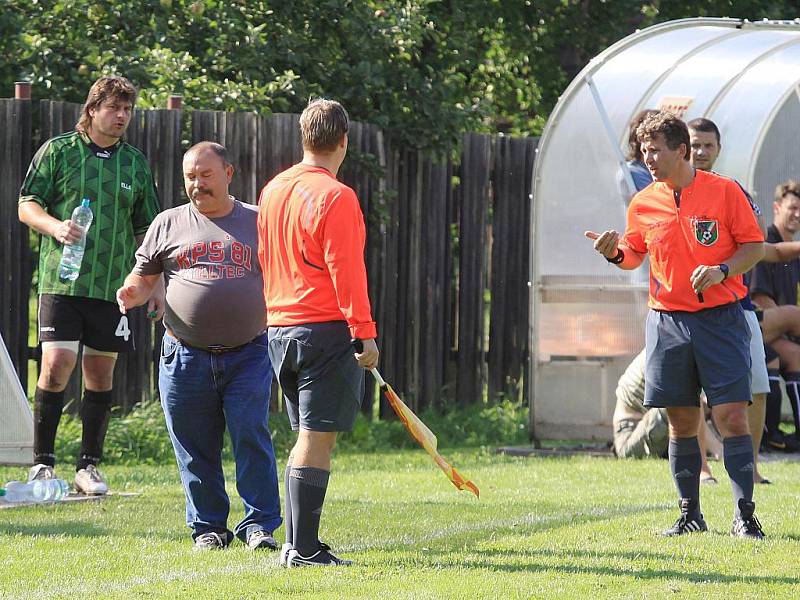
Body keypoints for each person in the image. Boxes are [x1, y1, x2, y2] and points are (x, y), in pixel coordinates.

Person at [586, 111, 766, 539]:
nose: (648, 158)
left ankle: (744, 514)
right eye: (644, 150)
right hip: (666, 322)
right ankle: (690, 514)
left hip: (720, 320)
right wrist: (613, 252)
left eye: (656, 150)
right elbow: (633, 253)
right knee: (681, 422)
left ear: (681, 151)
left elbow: (755, 246)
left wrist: (722, 270)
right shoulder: (644, 202)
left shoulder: (724, 192)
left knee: (732, 417)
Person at [116, 142, 281, 551]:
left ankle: (258, 525)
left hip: (250, 352)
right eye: (190, 176)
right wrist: (131, 293)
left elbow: (284, 276)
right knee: (193, 443)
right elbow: (143, 276)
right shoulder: (168, 223)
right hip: (184, 353)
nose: (197, 184)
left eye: (205, 175)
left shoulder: (260, 222)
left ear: (228, 173)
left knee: (251, 435)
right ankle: (208, 527)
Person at [17, 76, 161, 495]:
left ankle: (89, 468)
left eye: (128, 110)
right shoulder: (59, 151)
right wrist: (56, 227)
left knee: (99, 372)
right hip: (60, 283)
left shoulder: (133, 162)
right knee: (57, 364)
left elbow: (147, 230)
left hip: (113, 288)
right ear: (93, 109)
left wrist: (156, 284)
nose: (122, 117)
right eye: (114, 108)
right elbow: (27, 205)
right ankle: (42, 463)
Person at [257, 98, 379, 567]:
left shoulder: (272, 190)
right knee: (315, 437)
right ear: (344, 140)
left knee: (305, 435)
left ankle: (296, 543)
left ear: (304, 137)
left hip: (280, 327)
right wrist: (363, 332)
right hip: (323, 328)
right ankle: (303, 548)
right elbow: (346, 270)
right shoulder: (337, 196)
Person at [687, 117, 773, 483]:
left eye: (708, 145)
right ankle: (703, 467)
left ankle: (749, 466)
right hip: (684, 311)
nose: (701, 152)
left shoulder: (731, 190)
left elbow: (754, 244)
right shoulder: (667, 193)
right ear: (682, 148)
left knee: (757, 384)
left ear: (719, 149)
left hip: (736, 305)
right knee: (688, 393)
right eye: (694, 145)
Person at [749, 180, 800, 452]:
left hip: (778, 334)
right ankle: (766, 435)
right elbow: (760, 299)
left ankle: (782, 435)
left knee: (794, 355)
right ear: (777, 207)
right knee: (792, 317)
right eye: (792, 208)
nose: (797, 214)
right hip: (756, 324)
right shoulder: (765, 240)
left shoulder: (793, 251)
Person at [613, 349, 723, 472]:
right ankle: (716, 452)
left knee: (709, 400)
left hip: (660, 434)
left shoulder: (684, 347)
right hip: (630, 440)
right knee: (682, 399)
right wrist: (718, 449)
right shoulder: (667, 349)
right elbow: (683, 399)